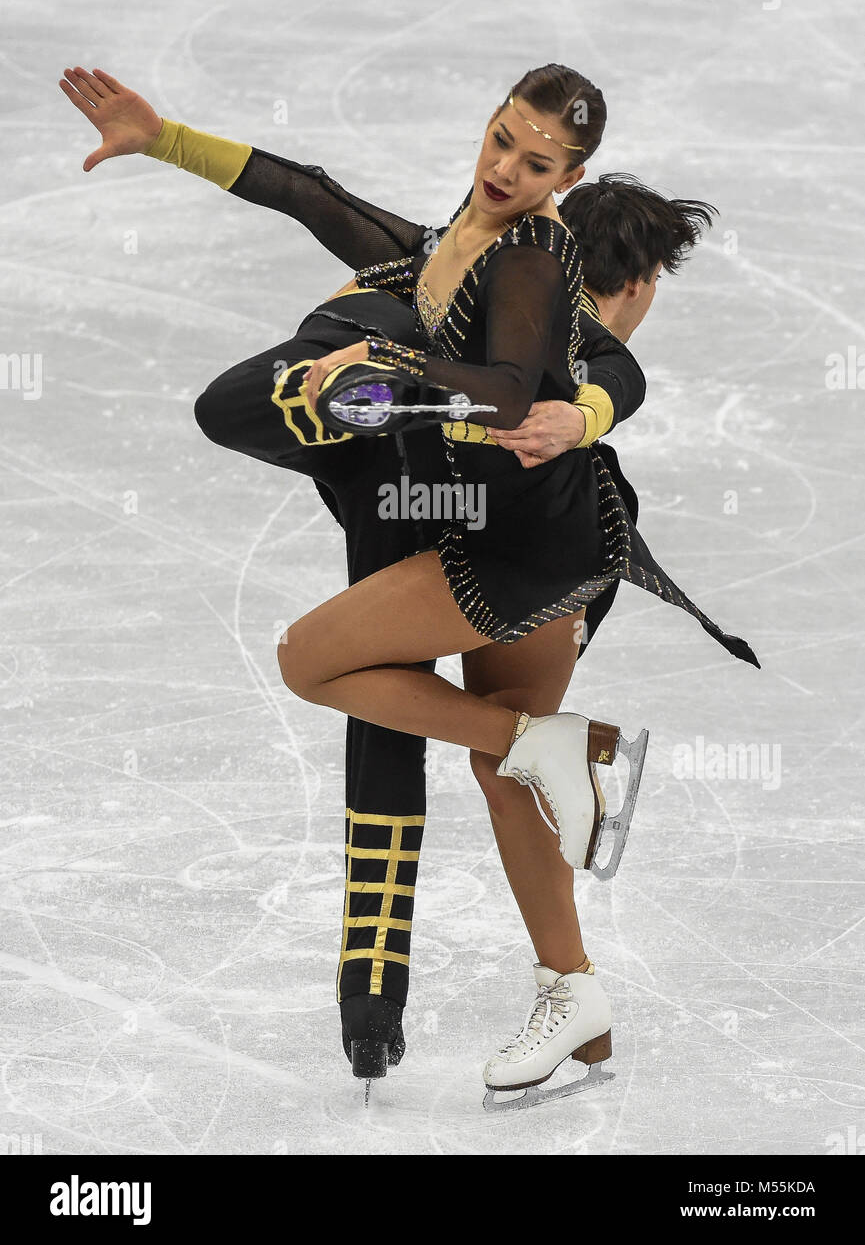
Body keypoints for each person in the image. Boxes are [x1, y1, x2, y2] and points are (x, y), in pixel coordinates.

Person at [60, 62, 759, 1107]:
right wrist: (164, 139)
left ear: (565, 182)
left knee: (318, 661)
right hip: (549, 541)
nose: (504, 168)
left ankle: (555, 747)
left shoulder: (537, 267)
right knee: (503, 764)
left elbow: (608, 370)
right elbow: (314, 196)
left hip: (516, 543)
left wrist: (556, 410)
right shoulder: (448, 258)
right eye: (501, 140)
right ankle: (572, 991)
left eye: (535, 163)